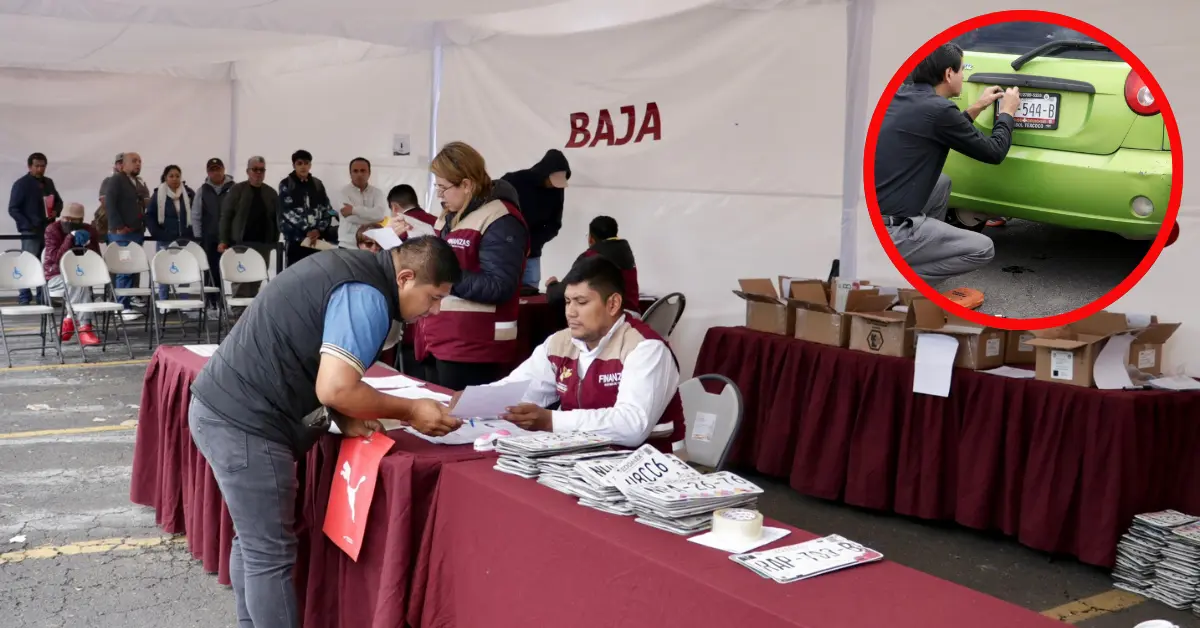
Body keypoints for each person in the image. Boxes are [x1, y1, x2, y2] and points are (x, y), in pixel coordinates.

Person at [188, 236, 464, 628]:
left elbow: (311, 363)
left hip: (222, 408)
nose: (434, 310)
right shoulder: (367, 294)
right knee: (269, 554)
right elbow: (335, 387)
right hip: (247, 424)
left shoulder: (350, 269)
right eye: (433, 297)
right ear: (405, 278)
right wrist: (411, 410)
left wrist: (342, 415)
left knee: (254, 546)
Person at [490, 256, 684, 452]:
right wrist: (466, 403)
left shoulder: (645, 347)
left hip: (651, 469)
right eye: (567, 302)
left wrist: (552, 421)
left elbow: (632, 425)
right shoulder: (559, 343)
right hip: (580, 464)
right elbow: (515, 390)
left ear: (613, 304)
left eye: (581, 302)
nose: (570, 312)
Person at [874, 42, 1020, 284]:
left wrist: (977, 107)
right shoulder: (940, 110)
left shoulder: (898, 96)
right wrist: (1007, 113)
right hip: (887, 231)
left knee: (941, 183)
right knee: (982, 248)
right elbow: (994, 152)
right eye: (963, 70)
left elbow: (942, 127)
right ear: (948, 73)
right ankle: (895, 282)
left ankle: (916, 248)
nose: (964, 76)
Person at [414, 141, 529, 390]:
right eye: (437, 187)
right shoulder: (449, 217)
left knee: (462, 424)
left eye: (444, 188)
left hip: (474, 347)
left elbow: (499, 285)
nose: (439, 195)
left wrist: (442, 275)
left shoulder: (500, 220)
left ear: (466, 185)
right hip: (438, 340)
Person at [545, 215, 640, 327]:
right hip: (633, 318)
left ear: (591, 239)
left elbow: (560, 294)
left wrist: (552, 285)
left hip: (607, 320)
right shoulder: (626, 253)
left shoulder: (591, 257)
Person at [500, 149, 571, 290]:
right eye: (553, 181)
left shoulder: (557, 191)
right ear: (545, 172)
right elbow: (495, 209)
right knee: (504, 291)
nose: (554, 186)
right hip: (507, 251)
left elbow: (554, 225)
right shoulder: (514, 180)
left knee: (531, 294)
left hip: (532, 254)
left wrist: (533, 243)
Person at [219, 156, 279, 298]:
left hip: (263, 245)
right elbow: (226, 216)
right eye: (255, 169)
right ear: (248, 171)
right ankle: (238, 314)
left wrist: (274, 241)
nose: (258, 173)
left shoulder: (271, 193)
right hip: (241, 243)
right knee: (241, 280)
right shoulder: (237, 190)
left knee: (256, 280)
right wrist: (223, 240)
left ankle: (251, 315)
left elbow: (276, 219)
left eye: (261, 170)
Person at [42, 203, 102, 346]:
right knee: (76, 282)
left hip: (80, 274)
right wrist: (69, 238)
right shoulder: (52, 229)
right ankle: (84, 328)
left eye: (73, 220)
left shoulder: (89, 230)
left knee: (77, 281)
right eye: (65, 218)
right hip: (55, 275)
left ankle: (69, 321)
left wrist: (88, 244)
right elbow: (55, 258)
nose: (68, 222)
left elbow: (97, 258)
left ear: (80, 220)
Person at [8, 152, 62, 305]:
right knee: (28, 262)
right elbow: (13, 209)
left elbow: (59, 202)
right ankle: (24, 296)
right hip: (30, 231)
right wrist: (27, 225)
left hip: (47, 229)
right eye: (37, 166)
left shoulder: (49, 183)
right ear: (30, 167)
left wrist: (56, 211)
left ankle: (43, 297)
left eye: (43, 166)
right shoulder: (21, 184)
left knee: (45, 263)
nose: (40, 169)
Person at [105, 151, 147, 319]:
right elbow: (110, 203)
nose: (138, 164)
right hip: (123, 234)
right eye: (134, 161)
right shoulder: (116, 180)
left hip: (135, 232)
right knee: (123, 269)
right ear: (123, 164)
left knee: (130, 269)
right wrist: (119, 226)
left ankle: (126, 304)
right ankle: (121, 306)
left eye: (140, 161)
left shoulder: (135, 182)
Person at [146, 165, 197, 301]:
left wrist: (191, 233)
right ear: (165, 178)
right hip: (165, 239)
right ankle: (163, 300)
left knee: (185, 270)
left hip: (184, 239)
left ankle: (184, 300)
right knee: (164, 269)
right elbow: (150, 216)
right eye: (171, 176)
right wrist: (158, 233)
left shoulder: (189, 193)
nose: (175, 179)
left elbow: (197, 214)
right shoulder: (158, 194)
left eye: (177, 176)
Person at [278, 150, 334, 268]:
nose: (303, 166)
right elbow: (287, 212)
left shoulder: (317, 184)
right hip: (296, 239)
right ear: (294, 165)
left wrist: (318, 230)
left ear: (310, 165)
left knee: (316, 274)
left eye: (306, 163)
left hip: (317, 240)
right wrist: (307, 230)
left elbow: (327, 209)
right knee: (294, 275)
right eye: (299, 163)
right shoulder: (286, 184)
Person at [195, 157, 236, 309]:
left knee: (231, 270)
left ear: (224, 170)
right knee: (211, 271)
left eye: (218, 169)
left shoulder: (234, 187)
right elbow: (196, 215)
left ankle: (229, 303)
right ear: (208, 172)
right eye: (212, 170)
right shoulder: (202, 190)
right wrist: (198, 237)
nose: (215, 172)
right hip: (209, 238)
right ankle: (212, 302)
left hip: (229, 238)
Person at [335, 158, 388, 249]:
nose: (359, 174)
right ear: (350, 174)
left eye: (363, 171)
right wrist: (373, 219)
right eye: (355, 171)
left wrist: (353, 210)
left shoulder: (377, 193)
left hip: (371, 245)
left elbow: (380, 215)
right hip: (348, 244)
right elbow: (350, 218)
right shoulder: (343, 192)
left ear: (369, 173)